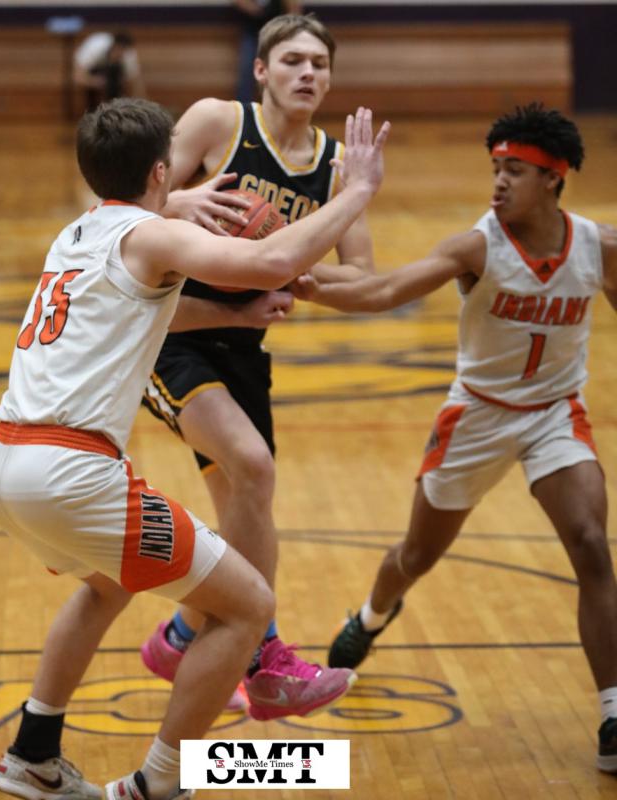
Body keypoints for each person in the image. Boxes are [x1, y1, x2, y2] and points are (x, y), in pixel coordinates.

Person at [0, 97, 388, 800]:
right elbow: (274, 259)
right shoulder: (153, 233)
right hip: (71, 472)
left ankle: (32, 753)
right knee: (246, 606)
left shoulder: (76, 235)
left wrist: (232, 314)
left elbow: (152, 306)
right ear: (163, 170)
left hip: (5, 462)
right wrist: (359, 191)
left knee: (106, 583)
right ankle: (160, 784)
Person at [290, 103, 617, 773]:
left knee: (590, 542)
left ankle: (614, 715)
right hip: (477, 415)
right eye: (495, 169)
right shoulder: (477, 245)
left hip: (556, 412)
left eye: (515, 172)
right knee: (415, 555)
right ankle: (374, 613)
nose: (498, 183)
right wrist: (300, 283)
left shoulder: (599, 246)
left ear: (553, 179)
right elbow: (384, 292)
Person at [139, 13, 379, 719]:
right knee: (256, 468)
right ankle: (267, 660)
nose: (309, 73)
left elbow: (360, 275)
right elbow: (123, 207)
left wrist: (305, 276)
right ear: (261, 71)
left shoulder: (335, 163)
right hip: (170, 333)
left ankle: (182, 634)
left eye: (320, 64)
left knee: (246, 504)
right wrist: (179, 201)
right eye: (294, 60)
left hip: (243, 347)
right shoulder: (218, 121)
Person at [232, 1, 302, 102]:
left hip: (278, 32)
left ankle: (283, 105)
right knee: (247, 73)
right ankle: (244, 110)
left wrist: (292, 29)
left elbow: (294, 7)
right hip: (253, 31)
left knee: (281, 70)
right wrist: (259, 11)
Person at [73, 30, 144, 111]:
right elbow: (77, 77)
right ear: (113, 46)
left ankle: (115, 110)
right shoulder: (94, 48)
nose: (119, 55)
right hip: (93, 75)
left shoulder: (129, 56)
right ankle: (92, 112)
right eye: (117, 51)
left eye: (122, 53)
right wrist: (93, 82)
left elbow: (136, 84)